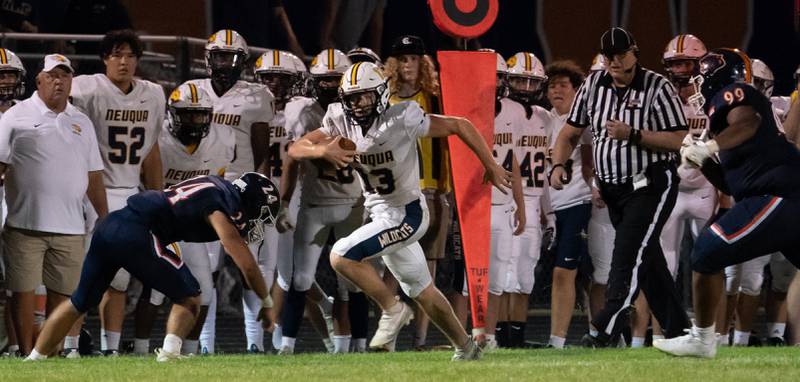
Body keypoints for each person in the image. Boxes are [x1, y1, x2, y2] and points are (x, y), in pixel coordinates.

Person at [288, 61, 509, 360]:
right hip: (381, 214)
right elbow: (295, 148)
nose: (358, 103)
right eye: (352, 97)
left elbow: (460, 124)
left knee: (340, 255)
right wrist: (321, 150)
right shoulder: (339, 118)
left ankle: (392, 309)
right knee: (422, 289)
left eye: (365, 96)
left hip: (407, 213)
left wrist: (491, 164)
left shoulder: (402, 117)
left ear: (380, 93)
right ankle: (466, 348)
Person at [24, 173, 279, 361]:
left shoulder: (217, 185)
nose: (258, 222)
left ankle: (34, 359)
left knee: (79, 301)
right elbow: (246, 265)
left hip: (112, 224)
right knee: (190, 296)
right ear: (250, 201)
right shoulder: (222, 204)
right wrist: (267, 304)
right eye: (261, 213)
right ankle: (169, 355)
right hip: (139, 232)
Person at [654, 48, 800, 358]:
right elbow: (730, 184)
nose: (697, 86)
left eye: (701, 78)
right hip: (782, 197)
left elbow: (747, 123)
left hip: (778, 195)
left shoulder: (738, 93)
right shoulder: (727, 123)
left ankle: (703, 338)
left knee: (706, 251)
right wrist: (702, 160)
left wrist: (708, 147)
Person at [549, 27, 690, 346]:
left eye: (620, 54)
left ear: (634, 53)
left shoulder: (657, 87)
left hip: (651, 182)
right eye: (609, 54)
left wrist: (635, 135)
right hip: (614, 190)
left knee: (627, 252)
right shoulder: (592, 85)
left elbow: (680, 138)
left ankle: (604, 327)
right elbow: (570, 133)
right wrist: (558, 164)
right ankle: (681, 331)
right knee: (649, 260)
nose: (614, 60)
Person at [0, 54, 108, 356]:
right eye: (52, 76)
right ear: (39, 80)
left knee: (65, 296)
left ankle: (50, 353)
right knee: (21, 293)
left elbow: (94, 175)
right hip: (25, 223)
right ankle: (24, 352)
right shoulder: (16, 116)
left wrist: (105, 215)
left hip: (71, 225)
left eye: (64, 76)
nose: (59, 81)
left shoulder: (81, 121)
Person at [68, 29, 166, 356]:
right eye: (116, 55)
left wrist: (159, 197)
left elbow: (151, 150)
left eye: (130, 55)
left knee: (118, 280)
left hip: (129, 193)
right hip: (89, 192)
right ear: (104, 58)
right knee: (82, 278)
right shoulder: (87, 88)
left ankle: (111, 349)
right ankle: (70, 346)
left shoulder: (152, 94)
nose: (123, 62)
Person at [276, 48, 368, 355]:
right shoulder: (304, 113)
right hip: (315, 205)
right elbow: (291, 157)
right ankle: (287, 346)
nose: (328, 86)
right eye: (323, 80)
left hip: (352, 205)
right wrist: (283, 202)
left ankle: (359, 345)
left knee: (352, 282)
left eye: (334, 80)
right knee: (300, 277)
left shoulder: (360, 112)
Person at [629, 34, 716, 348]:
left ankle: (715, 335)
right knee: (663, 266)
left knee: (717, 262)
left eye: (685, 62)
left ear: (699, 64)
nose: (679, 69)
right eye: (674, 63)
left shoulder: (714, 94)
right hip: (672, 189)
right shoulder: (659, 96)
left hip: (708, 187)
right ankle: (666, 335)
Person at [192, 29, 275, 354]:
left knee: (246, 268)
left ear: (240, 60)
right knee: (206, 274)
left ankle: (255, 342)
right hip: (204, 190)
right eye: (219, 55)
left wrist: (261, 194)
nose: (223, 62)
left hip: (240, 191)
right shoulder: (192, 91)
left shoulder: (256, 96)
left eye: (229, 56)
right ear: (209, 57)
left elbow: (262, 151)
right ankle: (204, 345)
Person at [142, 82, 235, 356]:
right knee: (156, 290)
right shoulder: (158, 138)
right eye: (187, 114)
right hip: (160, 219)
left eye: (200, 114)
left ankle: (190, 350)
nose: (195, 121)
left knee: (204, 289)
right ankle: (139, 347)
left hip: (193, 224)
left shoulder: (223, 138)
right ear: (171, 114)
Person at [385, 34, 452, 350]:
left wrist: (444, 190)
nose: (408, 64)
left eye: (414, 58)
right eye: (403, 58)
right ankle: (390, 337)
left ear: (423, 62)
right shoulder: (384, 99)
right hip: (395, 193)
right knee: (391, 266)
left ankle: (420, 340)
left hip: (432, 190)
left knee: (428, 268)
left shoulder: (437, 97)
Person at [501, 51, 551, 348]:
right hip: (506, 199)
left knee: (525, 273)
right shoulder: (502, 111)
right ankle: (499, 334)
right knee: (504, 272)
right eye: (520, 80)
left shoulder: (544, 117)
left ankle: (516, 335)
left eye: (532, 82)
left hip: (533, 200)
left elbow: (546, 167)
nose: (525, 88)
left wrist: (550, 213)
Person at [543, 60, 594, 349]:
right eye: (552, 85)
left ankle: (558, 340)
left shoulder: (581, 122)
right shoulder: (541, 118)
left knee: (575, 273)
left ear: (577, 90)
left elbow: (588, 164)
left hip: (577, 201)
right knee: (569, 275)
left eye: (563, 85)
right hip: (549, 209)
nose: (556, 90)